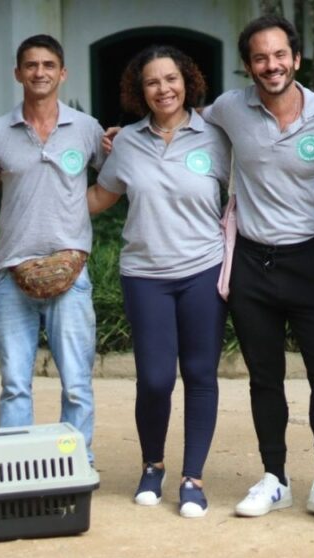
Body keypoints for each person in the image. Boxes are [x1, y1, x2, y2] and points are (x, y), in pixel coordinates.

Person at [200, 15, 314, 521]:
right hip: (251, 263)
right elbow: (185, 121)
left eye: (280, 55)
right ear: (249, 66)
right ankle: (275, 478)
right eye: (260, 58)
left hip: (308, 261)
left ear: (297, 59)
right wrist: (126, 135)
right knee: (264, 378)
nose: (272, 65)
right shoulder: (230, 108)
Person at [87, 45, 229, 518]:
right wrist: (42, 205)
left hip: (203, 270)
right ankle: (153, 465)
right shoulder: (127, 141)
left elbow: (254, 187)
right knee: (154, 379)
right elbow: (100, 196)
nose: (163, 89)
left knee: (200, 374)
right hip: (145, 274)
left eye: (171, 79)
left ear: (187, 82)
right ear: (139, 91)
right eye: (152, 82)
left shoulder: (216, 137)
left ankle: (193, 477)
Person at [0, 34, 105, 462]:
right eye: (31, 65)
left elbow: (115, 179)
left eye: (48, 65)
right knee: (15, 384)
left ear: (63, 73)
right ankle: (16, 466)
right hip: (11, 273)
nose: (40, 72)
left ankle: (76, 462)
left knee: (77, 384)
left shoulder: (86, 129)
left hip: (71, 274)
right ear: (18, 73)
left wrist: (80, 211)